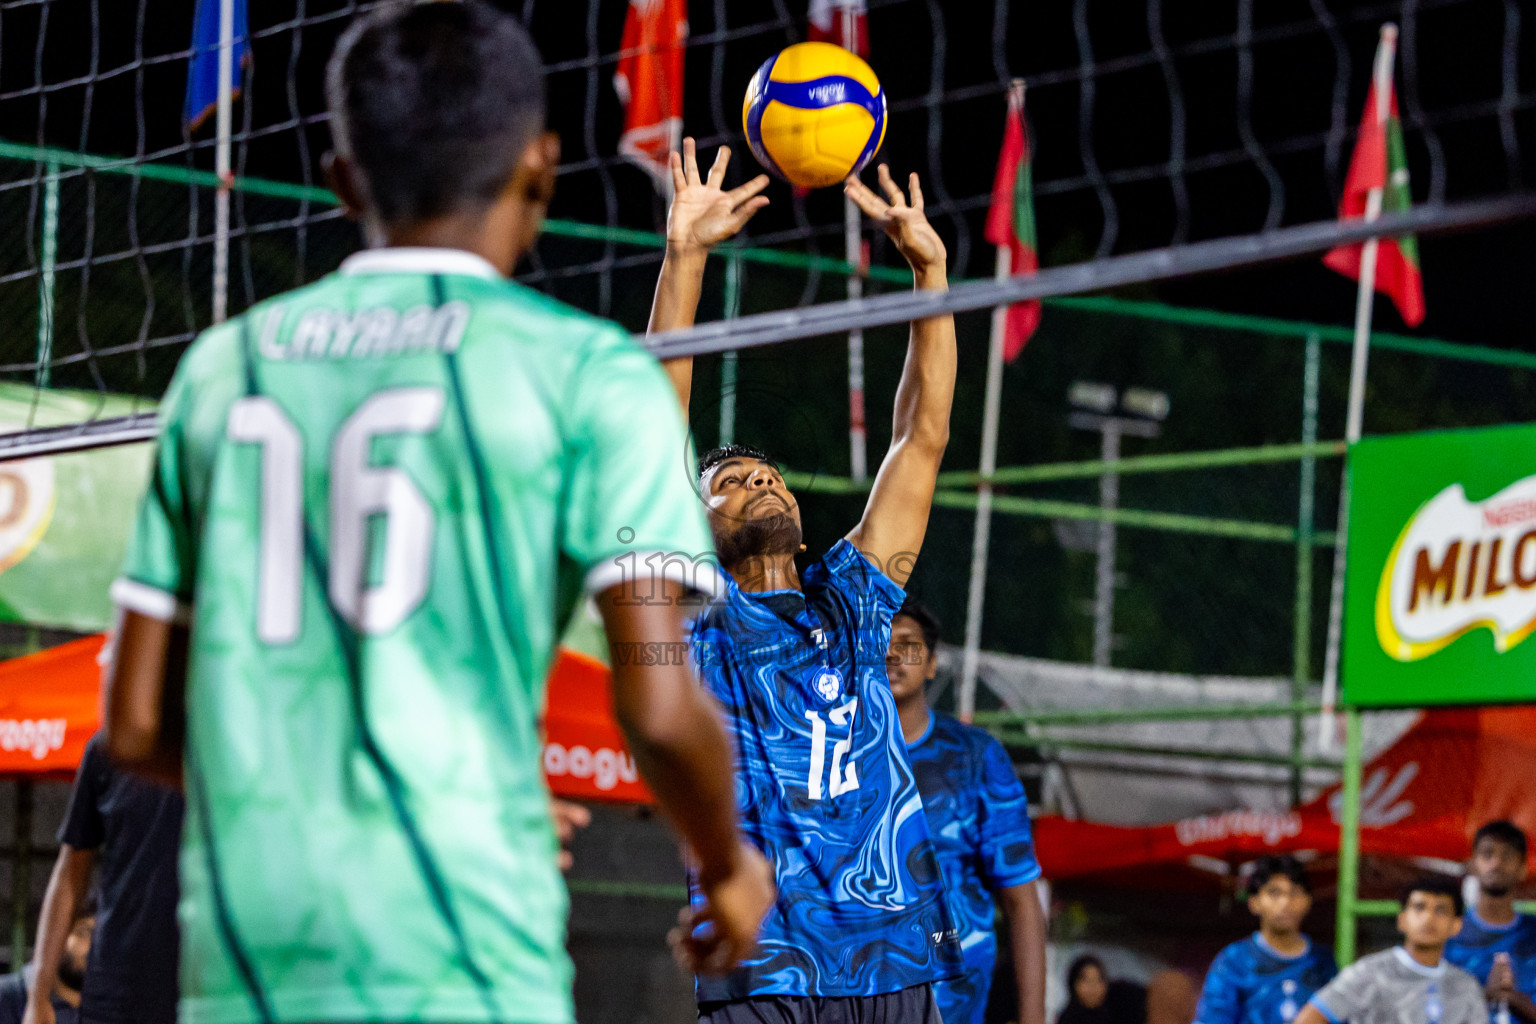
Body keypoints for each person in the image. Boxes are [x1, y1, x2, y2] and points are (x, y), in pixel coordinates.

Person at [98, 6, 773, 1024]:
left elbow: (138, 718)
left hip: (248, 955)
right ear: (543, 170)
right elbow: (661, 700)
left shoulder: (223, 371)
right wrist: (726, 863)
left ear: (340, 178)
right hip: (465, 953)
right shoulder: (588, 377)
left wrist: (326, 789)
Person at [650, 139, 963, 1021]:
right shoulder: (697, 615)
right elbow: (646, 431)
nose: (758, 484)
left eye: (768, 476)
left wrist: (928, 275)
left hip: (893, 956)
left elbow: (923, 437)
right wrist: (686, 255)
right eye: (730, 484)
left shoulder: (853, 599)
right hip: (765, 961)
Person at [886, 598, 1047, 1024]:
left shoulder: (977, 758)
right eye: (878, 642)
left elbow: (1022, 902)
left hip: (953, 998)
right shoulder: (832, 756)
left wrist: (1033, 1017)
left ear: (933, 663)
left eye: (908, 644)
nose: (892, 654)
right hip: (852, 991)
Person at [22, 734, 180, 1024]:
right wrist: (38, 993)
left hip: (211, 983)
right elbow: (70, 870)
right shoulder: (108, 749)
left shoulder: (237, 739)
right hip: (114, 989)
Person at [1297, 876, 1487, 1024]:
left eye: (1440, 910)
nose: (1428, 918)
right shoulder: (1369, 972)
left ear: (1456, 925)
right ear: (1402, 919)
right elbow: (1310, 1018)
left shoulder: (1465, 986)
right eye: (1419, 907)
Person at [1194, 855, 1337, 1024]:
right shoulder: (1233, 961)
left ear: (1307, 901)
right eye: (1274, 893)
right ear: (1254, 902)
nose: (1285, 902)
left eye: (1295, 892)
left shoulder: (1323, 962)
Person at [1445, 821, 1536, 1023]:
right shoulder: (1448, 934)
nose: (1496, 863)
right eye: (1487, 854)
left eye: (1507, 856)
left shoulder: (1533, 933)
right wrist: (1485, 994)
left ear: (1523, 868)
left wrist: (1513, 999)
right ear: (1472, 866)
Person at [3, 898, 94, 1024]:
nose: (94, 945)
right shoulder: (8, 999)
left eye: (101, 936)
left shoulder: (115, 1010)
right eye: (83, 933)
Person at [1057, 957, 1145, 1024]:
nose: (1093, 987)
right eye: (1086, 981)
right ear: (1074, 985)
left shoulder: (1119, 1010)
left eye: (1099, 980)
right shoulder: (1067, 1019)